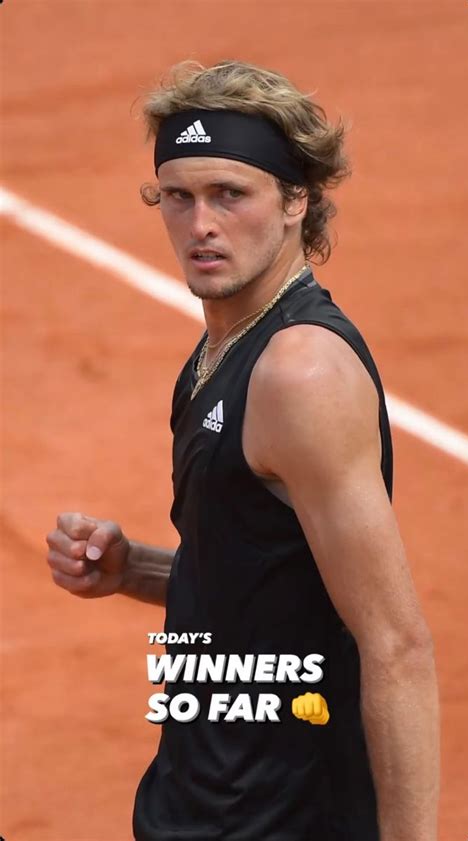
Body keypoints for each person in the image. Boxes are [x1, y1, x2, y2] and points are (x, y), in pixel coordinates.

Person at [46, 60, 440, 841]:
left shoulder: (300, 371)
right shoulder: (221, 350)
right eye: (179, 196)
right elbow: (264, 577)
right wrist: (138, 570)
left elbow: (396, 644)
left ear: (297, 200)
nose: (201, 226)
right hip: (204, 797)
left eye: (231, 194)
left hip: (282, 818)